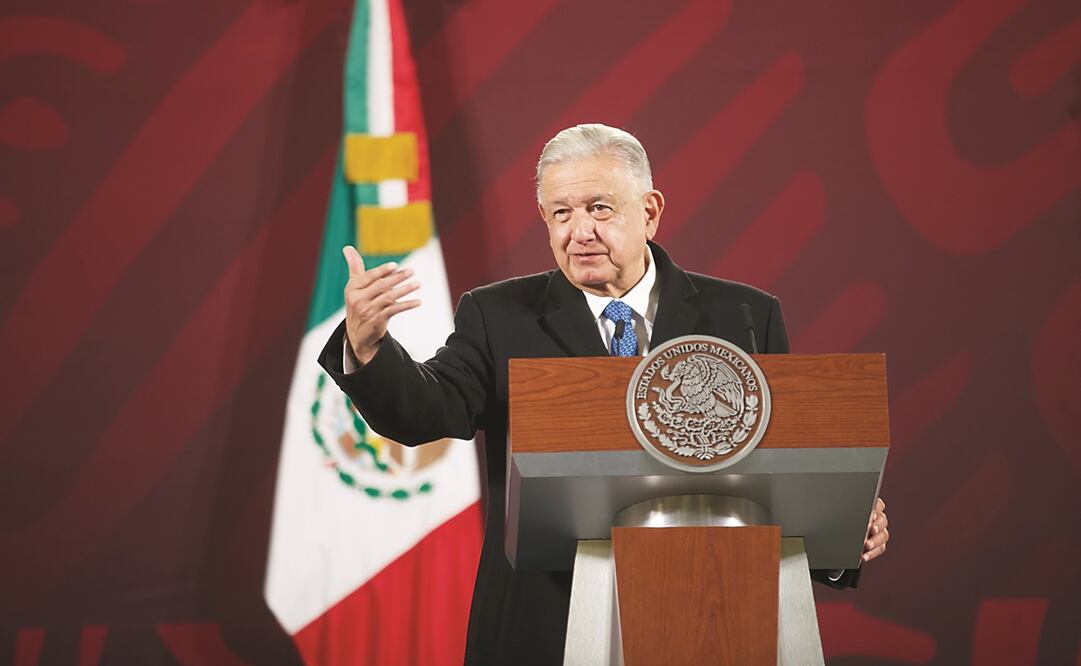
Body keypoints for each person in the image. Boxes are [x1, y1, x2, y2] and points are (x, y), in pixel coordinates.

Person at [318, 124, 889, 665]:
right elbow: (427, 408)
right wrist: (367, 348)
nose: (579, 230)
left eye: (599, 208)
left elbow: (782, 463)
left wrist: (840, 533)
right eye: (560, 213)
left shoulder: (742, 316)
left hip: (714, 610)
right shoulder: (497, 316)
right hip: (549, 618)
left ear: (650, 212)